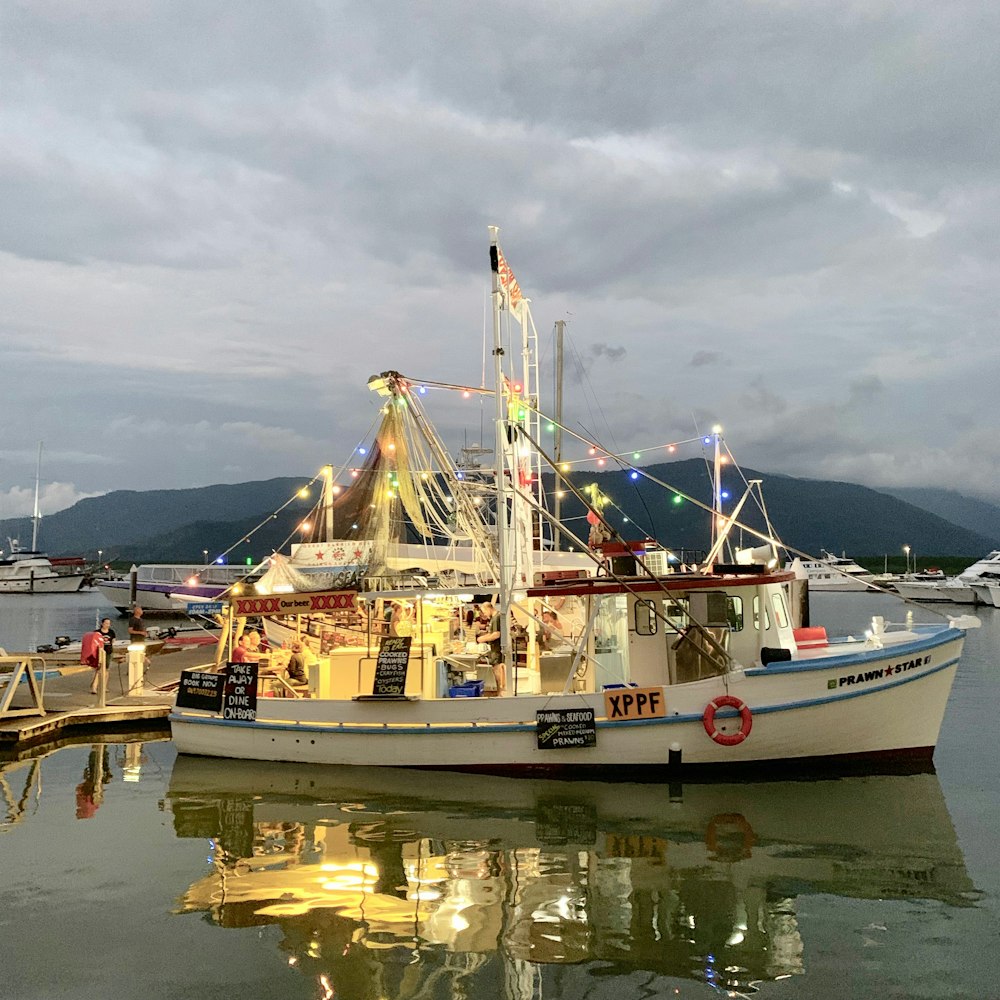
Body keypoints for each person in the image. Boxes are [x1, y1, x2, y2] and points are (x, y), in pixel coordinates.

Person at [477, 601, 506, 696]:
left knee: (498, 671)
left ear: (488, 608)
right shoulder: (494, 618)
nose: (484, 614)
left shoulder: (497, 618)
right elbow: (492, 633)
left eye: (484, 611)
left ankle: (500, 692)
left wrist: (482, 639)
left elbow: (496, 634)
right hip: (494, 649)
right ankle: (499, 691)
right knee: (496, 671)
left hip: (497, 649)